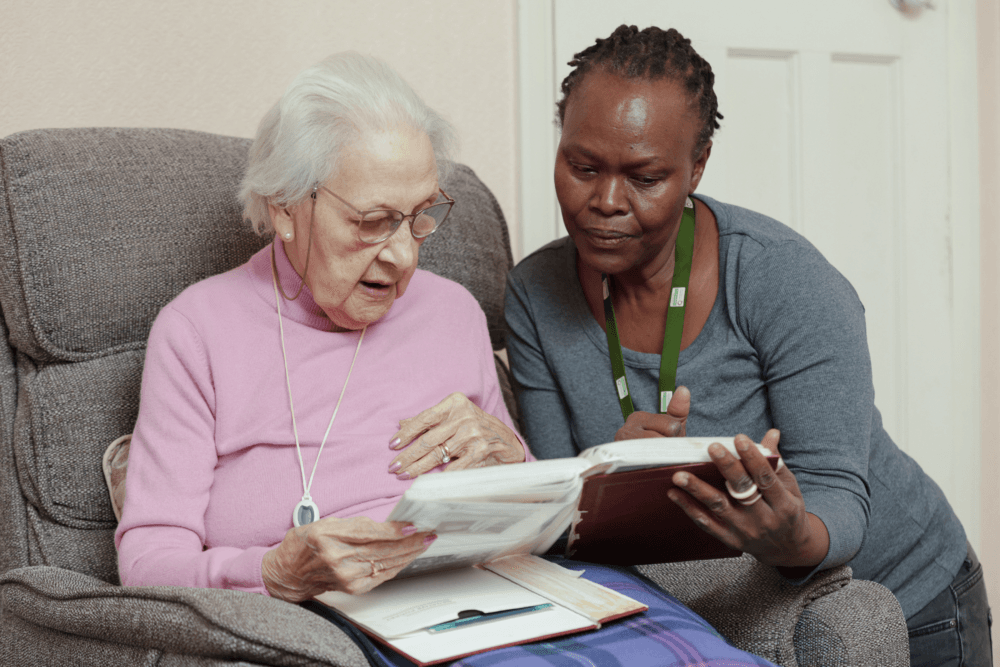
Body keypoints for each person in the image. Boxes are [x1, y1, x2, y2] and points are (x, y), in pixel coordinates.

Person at [115, 52, 778, 667]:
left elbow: (531, 514)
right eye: (373, 220)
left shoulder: (453, 310)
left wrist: (510, 458)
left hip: (515, 584)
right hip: (371, 618)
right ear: (286, 207)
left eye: (421, 217)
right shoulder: (197, 331)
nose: (404, 255)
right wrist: (271, 571)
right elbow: (147, 558)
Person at [504, 25, 992, 667]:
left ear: (696, 166)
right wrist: (612, 483)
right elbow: (557, 509)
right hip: (717, 618)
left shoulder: (783, 280)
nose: (605, 202)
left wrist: (791, 535)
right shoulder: (535, 293)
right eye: (582, 167)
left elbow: (838, 496)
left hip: (905, 600)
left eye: (645, 176)